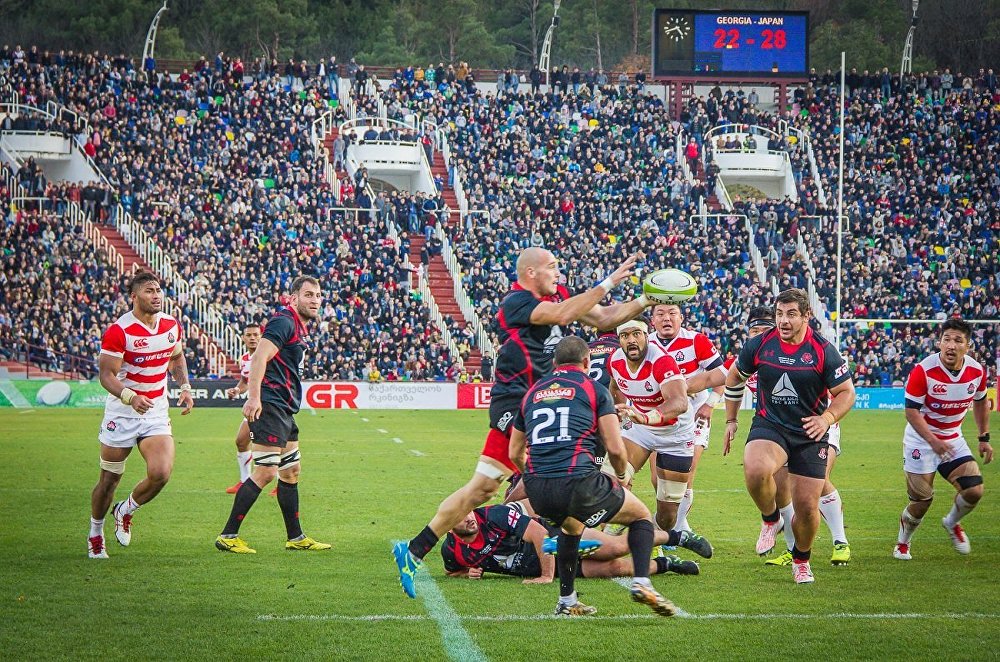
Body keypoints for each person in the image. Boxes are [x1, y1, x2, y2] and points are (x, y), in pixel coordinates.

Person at [393, 247, 655, 598]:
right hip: (516, 401)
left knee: (490, 487)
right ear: (531, 272)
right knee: (522, 475)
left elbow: (606, 318)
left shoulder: (557, 296)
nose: (558, 273)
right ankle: (561, 530)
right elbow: (563, 313)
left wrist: (646, 299)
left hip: (541, 399)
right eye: (552, 267)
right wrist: (608, 282)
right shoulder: (516, 302)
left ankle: (415, 550)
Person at [509, 336, 676, 616]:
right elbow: (615, 447)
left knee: (572, 527)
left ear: (554, 363)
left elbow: (514, 453)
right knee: (640, 516)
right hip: (578, 481)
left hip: (538, 489)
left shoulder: (533, 392)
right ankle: (642, 582)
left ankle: (567, 601)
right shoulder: (594, 389)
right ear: (587, 361)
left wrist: (537, 477)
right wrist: (621, 474)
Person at [690, 307, 851, 566]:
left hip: (820, 423)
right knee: (780, 487)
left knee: (817, 483)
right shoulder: (752, 355)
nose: (758, 335)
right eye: (753, 330)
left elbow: (842, 391)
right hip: (779, 428)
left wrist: (827, 418)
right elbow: (713, 377)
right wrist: (674, 388)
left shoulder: (807, 349)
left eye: (763, 330)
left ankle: (840, 540)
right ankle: (791, 547)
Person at [723, 289, 856, 584]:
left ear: (807, 315)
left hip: (810, 432)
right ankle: (771, 519)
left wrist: (827, 418)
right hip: (771, 425)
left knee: (807, 508)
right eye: (779, 314)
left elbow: (847, 393)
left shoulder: (823, 350)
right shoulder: (760, 344)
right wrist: (731, 419)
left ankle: (801, 560)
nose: (783, 321)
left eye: (791, 314)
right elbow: (734, 376)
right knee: (755, 469)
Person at [215, 276, 330, 554]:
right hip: (271, 405)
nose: (315, 300)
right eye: (308, 295)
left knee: (290, 472)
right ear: (293, 298)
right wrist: (254, 397)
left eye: (318, 295)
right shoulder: (284, 321)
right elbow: (259, 357)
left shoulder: (297, 325)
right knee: (266, 472)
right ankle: (228, 535)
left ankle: (296, 537)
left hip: (284, 407)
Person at [88, 271, 195, 558]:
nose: (156, 295)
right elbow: (106, 375)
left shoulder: (171, 325)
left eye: (158, 290)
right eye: (149, 291)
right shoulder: (119, 331)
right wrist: (130, 397)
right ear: (134, 297)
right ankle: (95, 532)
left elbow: (176, 357)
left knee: (161, 473)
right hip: (122, 414)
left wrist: (185, 387)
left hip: (155, 411)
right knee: (109, 481)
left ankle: (125, 510)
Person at [607, 319, 714, 557]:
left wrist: (645, 417)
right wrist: (621, 413)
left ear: (647, 336)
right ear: (619, 339)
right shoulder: (614, 360)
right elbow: (615, 387)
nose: (631, 340)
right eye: (625, 335)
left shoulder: (661, 360)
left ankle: (660, 533)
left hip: (675, 436)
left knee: (667, 517)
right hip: (639, 430)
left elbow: (679, 402)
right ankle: (612, 532)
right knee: (609, 483)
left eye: (637, 334)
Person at [894, 318, 992, 560]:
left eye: (958, 340)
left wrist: (984, 437)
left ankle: (951, 522)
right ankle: (902, 543)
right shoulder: (923, 370)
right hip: (920, 441)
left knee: (974, 491)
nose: (951, 345)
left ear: (967, 346)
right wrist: (933, 441)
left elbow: (981, 402)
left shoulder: (976, 371)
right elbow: (911, 412)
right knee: (921, 501)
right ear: (939, 342)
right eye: (946, 339)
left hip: (952, 438)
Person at [442, 502, 699, 582]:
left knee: (616, 548)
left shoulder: (492, 515)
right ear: (450, 528)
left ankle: (677, 536)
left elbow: (538, 535)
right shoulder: (452, 550)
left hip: (559, 537)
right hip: (546, 565)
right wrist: (467, 573)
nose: (469, 518)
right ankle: (667, 564)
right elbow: (451, 571)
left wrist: (546, 576)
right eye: (461, 519)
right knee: (615, 568)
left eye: (468, 513)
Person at [648, 304, 728, 532]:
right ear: (652, 320)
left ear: (681, 317)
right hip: (660, 418)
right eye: (660, 314)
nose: (667, 318)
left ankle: (676, 528)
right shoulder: (647, 344)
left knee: (686, 474)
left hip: (694, 417)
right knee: (657, 479)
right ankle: (673, 523)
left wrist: (710, 404)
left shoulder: (696, 341)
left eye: (672, 313)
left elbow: (722, 374)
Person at [225, 323, 262, 494]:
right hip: (252, 407)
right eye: (249, 335)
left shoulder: (268, 356)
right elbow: (245, 381)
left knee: (277, 446)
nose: (252, 338)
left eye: (256, 334)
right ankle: (245, 481)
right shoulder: (244, 359)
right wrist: (237, 390)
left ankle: (283, 483)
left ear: (261, 336)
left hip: (269, 406)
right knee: (241, 441)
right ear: (243, 338)